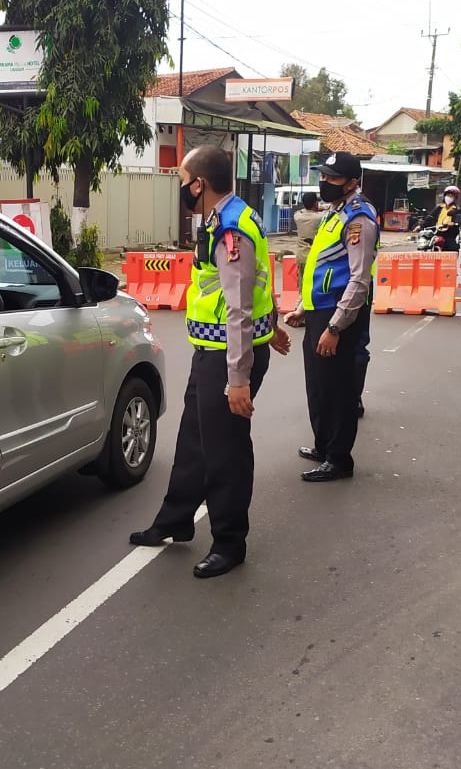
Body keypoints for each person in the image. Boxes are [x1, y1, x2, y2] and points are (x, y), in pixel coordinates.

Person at [129, 146, 291, 578]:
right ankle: (175, 520)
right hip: (215, 354)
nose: (181, 187)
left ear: (199, 183)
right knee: (194, 441)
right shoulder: (235, 215)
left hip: (228, 359)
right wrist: (271, 326)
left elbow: (238, 305)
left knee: (226, 452)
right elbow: (261, 282)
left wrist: (237, 378)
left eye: (183, 180)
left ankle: (230, 542)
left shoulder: (230, 229)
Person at [284, 152, 378, 482]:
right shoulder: (334, 212)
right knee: (319, 386)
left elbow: (358, 279)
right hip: (319, 311)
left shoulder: (358, 219)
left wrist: (335, 326)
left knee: (338, 389)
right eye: (323, 176)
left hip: (339, 315)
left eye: (332, 178)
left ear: (352, 182)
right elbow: (320, 265)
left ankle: (339, 459)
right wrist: (302, 307)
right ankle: (323, 446)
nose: (324, 182)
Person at [426, 184, 461, 251]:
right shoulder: (439, 208)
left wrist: (454, 223)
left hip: (450, 234)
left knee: (452, 247)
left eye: (451, 196)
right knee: (427, 244)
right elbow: (430, 217)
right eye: (447, 195)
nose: (449, 197)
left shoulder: (457, 210)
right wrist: (420, 225)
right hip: (437, 232)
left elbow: (460, 218)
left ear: (455, 198)